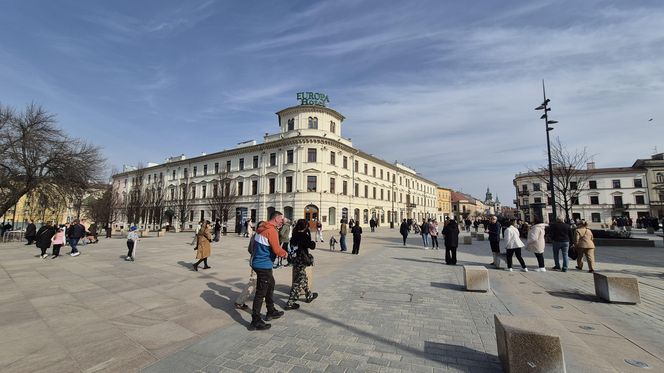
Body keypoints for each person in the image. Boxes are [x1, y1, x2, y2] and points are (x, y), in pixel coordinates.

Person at [250, 211, 288, 330]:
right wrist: (285, 254)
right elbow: (277, 249)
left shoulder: (262, 227)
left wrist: (283, 226)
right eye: (281, 219)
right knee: (261, 292)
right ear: (276, 218)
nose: (283, 221)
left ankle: (271, 310)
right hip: (263, 264)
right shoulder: (271, 231)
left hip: (258, 261)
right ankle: (255, 320)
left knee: (271, 285)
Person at [285, 219, 318, 310]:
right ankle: (290, 303)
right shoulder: (303, 236)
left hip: (295, 259)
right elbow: (312, 245)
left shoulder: (294, 235)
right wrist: (308, 235)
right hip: (301, 260)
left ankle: (309, 295)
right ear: (305, 226)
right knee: (298, 281)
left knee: (303, 278)